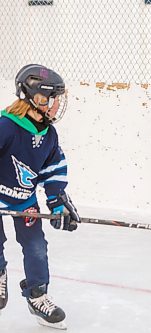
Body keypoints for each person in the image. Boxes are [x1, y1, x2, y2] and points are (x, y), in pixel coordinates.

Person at [0, 64, 80, 329]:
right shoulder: (7, 127)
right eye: (53, 99)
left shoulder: (48, 134)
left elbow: (53, 168)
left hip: (24, 201)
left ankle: (37, 296)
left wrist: (57, 202)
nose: (57, 105)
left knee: (36, 247)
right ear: (37, 98)